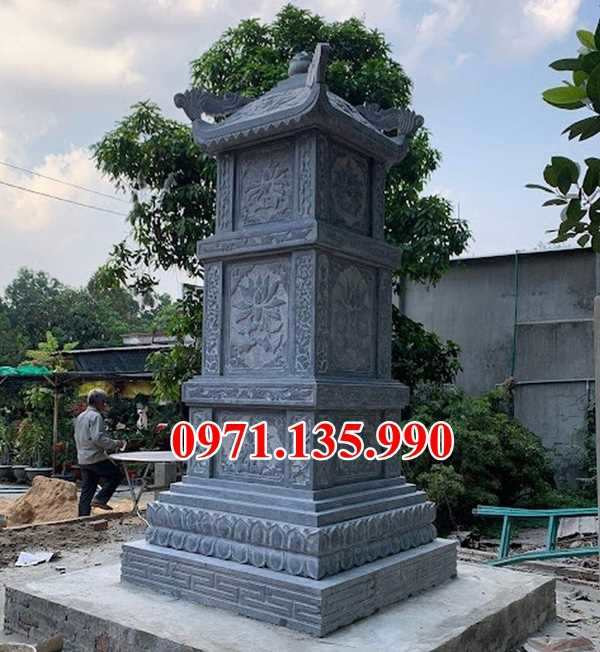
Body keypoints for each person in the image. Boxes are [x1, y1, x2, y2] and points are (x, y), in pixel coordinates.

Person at [74, 388, 125, 516]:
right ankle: (100, 499)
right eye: (104, 402)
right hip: (95, 457)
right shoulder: (96, 416)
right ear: (98, 402)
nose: (105, 405)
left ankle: (82, 518)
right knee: (117, 475)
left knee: (87, 489)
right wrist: (115, 443)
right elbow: (98, 438)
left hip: (83, 458)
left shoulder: (80, 416)